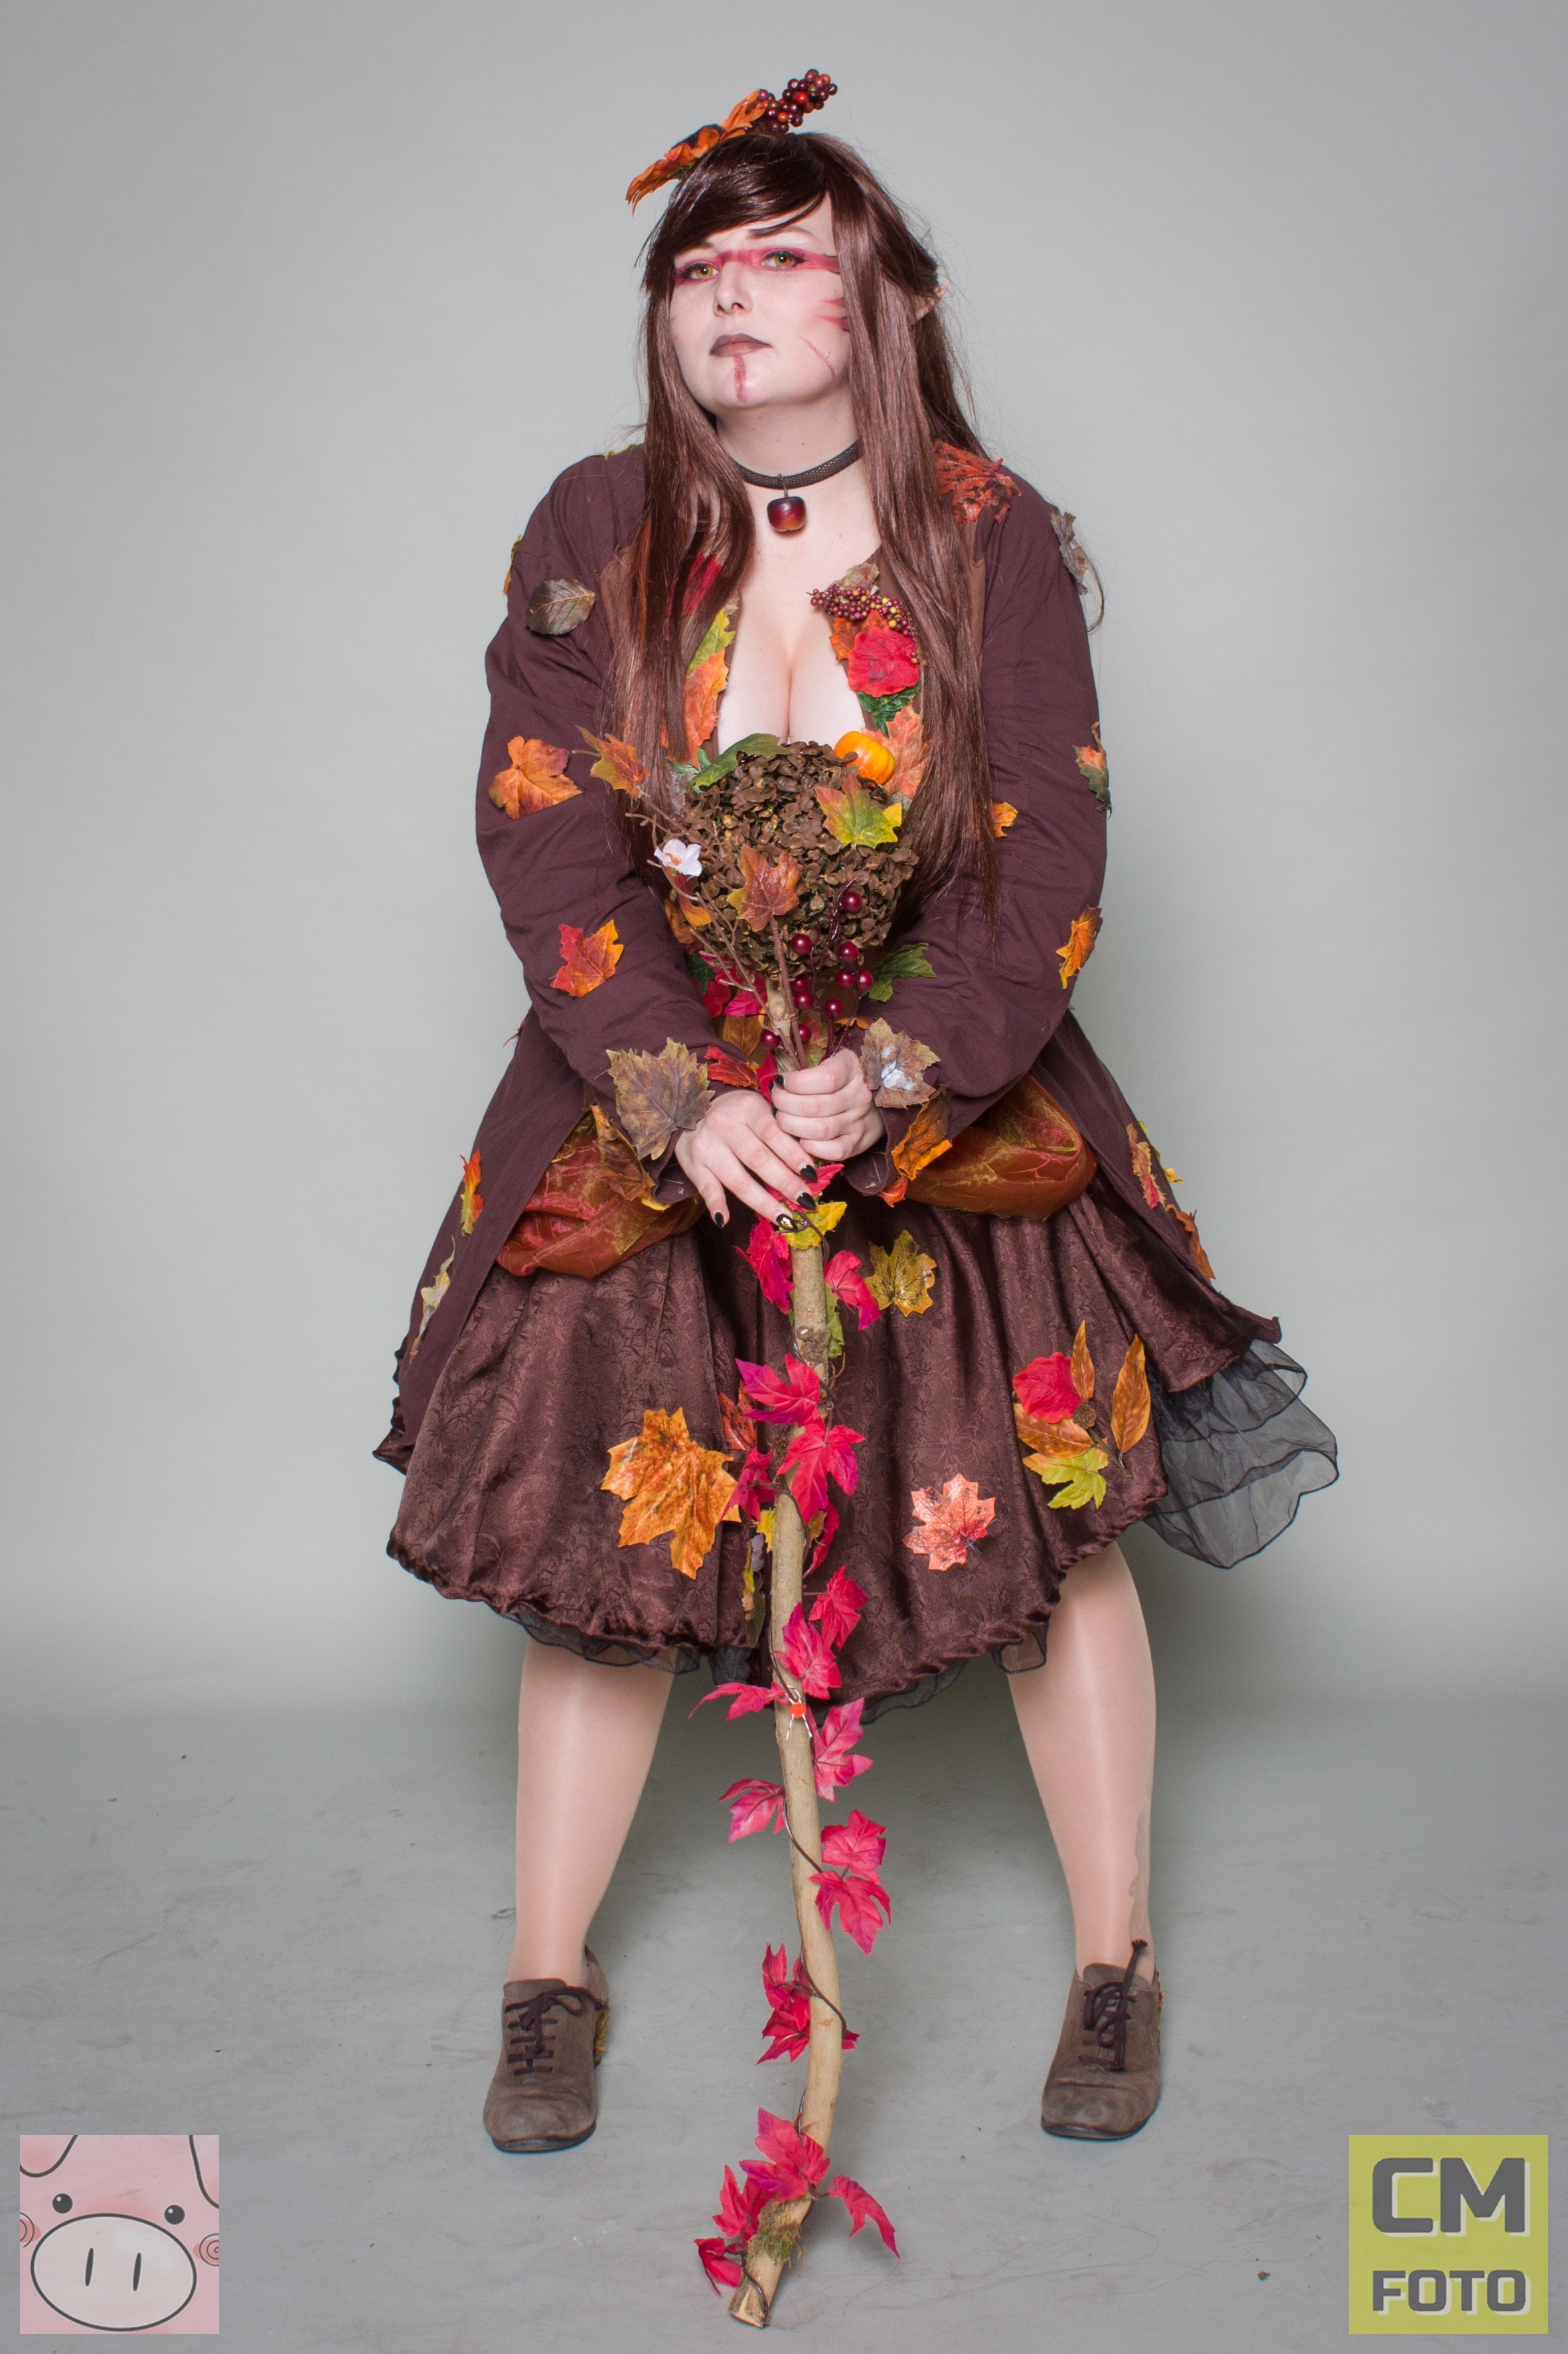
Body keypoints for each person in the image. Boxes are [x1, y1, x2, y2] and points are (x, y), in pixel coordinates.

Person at [374, 78, 1336, 2159]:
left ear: (879, 301)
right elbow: (543, 835)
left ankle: (1115, 1954)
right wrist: (676, 1092)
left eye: (781, 259)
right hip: (656, 1095)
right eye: (695, 269)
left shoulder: (991, 532)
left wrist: (892, 1066)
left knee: (1052, 1526)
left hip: (937, 1084)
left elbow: (1045, 838)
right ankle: (546, 1974)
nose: (729, 298)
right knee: (608, 1541)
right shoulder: (591, 527)